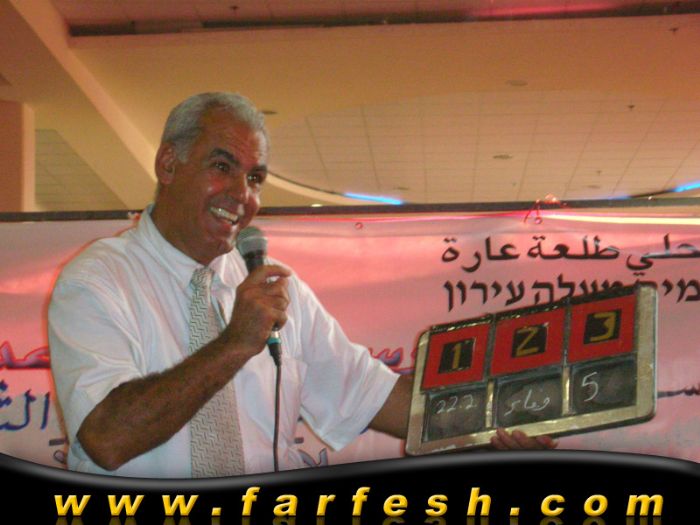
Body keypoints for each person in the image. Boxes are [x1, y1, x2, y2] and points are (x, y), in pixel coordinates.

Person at [48, 92, 554, 478]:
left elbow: (375, 395)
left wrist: (501, 421)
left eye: (255, 178)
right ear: (168, 164)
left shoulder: (272, 287)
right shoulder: (98, 279)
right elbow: (106, 439)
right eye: (222, 167)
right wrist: (235, 343)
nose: (242, 195)